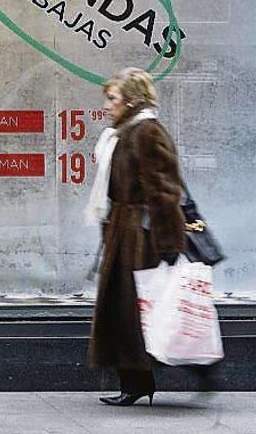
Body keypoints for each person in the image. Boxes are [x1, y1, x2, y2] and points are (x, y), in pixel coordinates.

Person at [85, 67, 186, 406]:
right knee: (124, 309)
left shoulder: (146, 132)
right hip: (121, 228)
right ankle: (135, 381)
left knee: (133, 309)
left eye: (113, 99)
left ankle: (145, 379)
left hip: (140, 234)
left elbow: (164, 189)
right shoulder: (122, 133)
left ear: (132, 100)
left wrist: (169, 243)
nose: (108, 105)